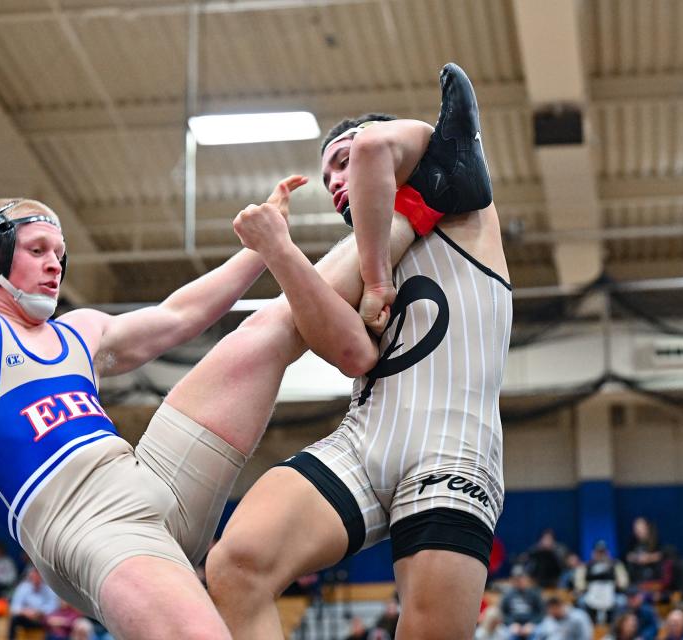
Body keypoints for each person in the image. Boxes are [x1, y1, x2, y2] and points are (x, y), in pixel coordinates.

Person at [0, 17, 433, 640]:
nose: (56, 263)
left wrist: (266, 246)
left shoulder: (80, 332)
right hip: (89, 528)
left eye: (61, 251)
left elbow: (179, 315)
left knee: (271, 327)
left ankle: (416, 203)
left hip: (153, 481)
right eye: (39, 248)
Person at [206, 64, 510, 640]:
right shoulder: (364, 247)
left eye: (339, 164)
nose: (337, 180)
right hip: (365, 440)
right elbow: (348, 354)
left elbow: (372, 146)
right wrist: (278, 249)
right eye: (327, 178)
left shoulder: (452, 178)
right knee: (235, 565)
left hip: (453, 447)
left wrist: (374, 282)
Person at [7, 568, 58, 640]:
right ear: (30, 577)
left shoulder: (49, 588)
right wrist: (24, 611)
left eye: (38, 576)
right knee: (14, 619)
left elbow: (53, 606)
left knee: (52, 621)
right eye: (34, 576)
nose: (36, 579)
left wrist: (39, 612)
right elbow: (14, 607)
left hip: (43, 619)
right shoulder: (23, 587)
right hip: (27, 618)